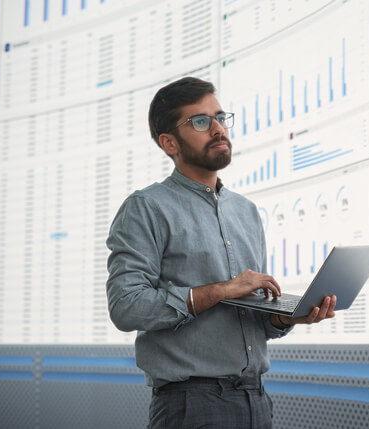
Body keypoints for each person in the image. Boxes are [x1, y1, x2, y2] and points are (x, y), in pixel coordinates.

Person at [105, 76, 336, 429]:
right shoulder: (146, 208)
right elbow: (126, 306)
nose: (217, 129)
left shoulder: (246, 212)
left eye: (220, 117)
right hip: (191, 406)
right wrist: (222, 290)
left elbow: (254, 318)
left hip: (256, 401)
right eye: (200, 121)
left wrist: (287, 317)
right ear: (169, 142)